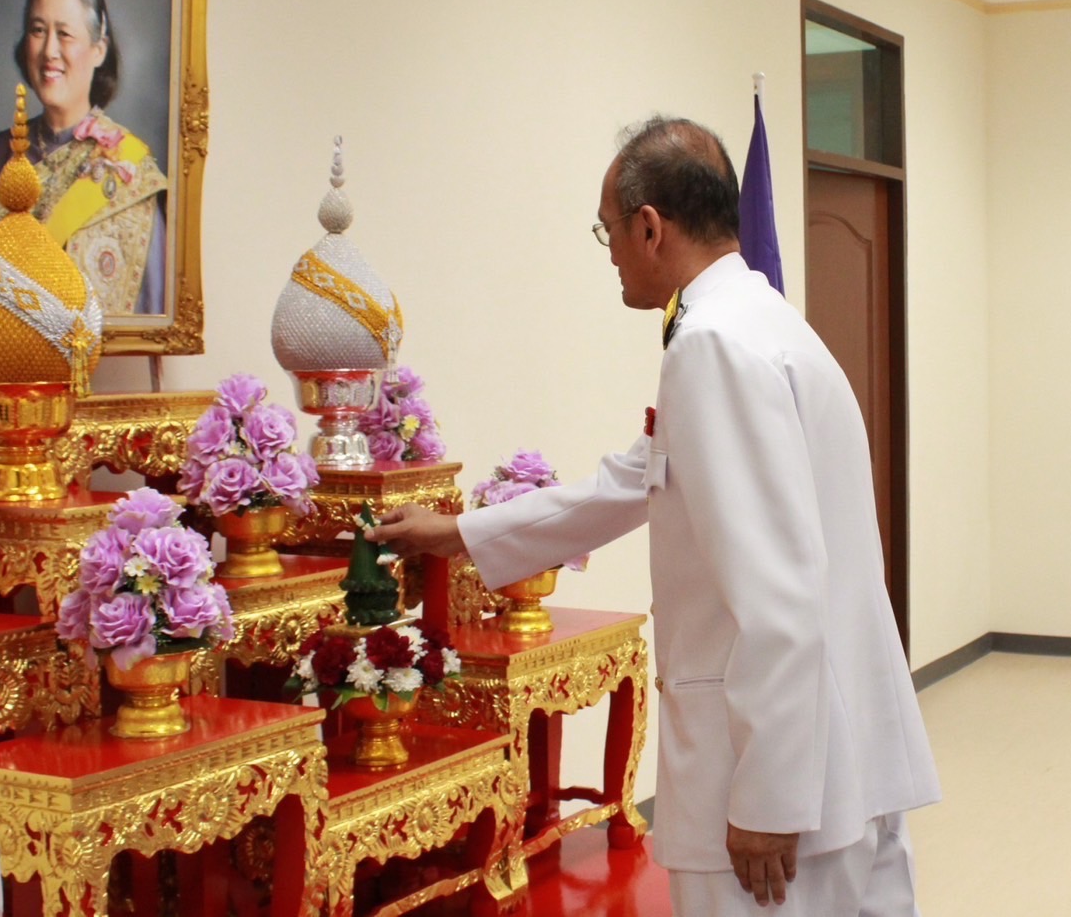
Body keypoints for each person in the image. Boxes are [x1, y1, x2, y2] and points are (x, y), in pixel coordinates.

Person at [369, 117, 939, 915]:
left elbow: (778, 593)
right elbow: (634, 482)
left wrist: (766, 798)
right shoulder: (765, 322)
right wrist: (456, 535)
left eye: (607, 230)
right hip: (849, 753)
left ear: (649, 226)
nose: (606, 251)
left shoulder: (710, 347)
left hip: (781, 782)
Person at [0, 0, 168, 316]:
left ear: (98, 49)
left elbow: (151, 315)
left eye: (65, 34)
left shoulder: (130, 170)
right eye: (38, 30)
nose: (49, 52)